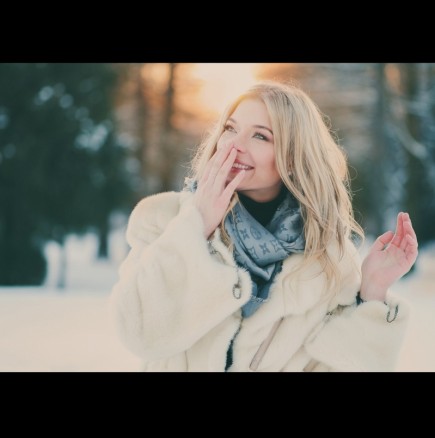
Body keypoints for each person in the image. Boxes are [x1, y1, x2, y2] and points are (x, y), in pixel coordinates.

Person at [110, 80, 418, 372]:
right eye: (230, 129)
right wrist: (196, 225)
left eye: (260, 136)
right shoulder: (162, 220)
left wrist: (373, 291)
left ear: (294, 156)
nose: (235, 145)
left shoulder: (329, 261)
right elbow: (138, 332)